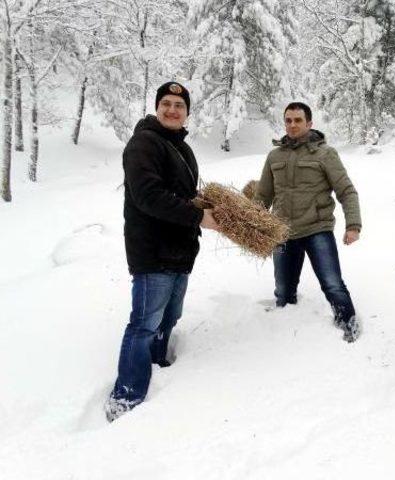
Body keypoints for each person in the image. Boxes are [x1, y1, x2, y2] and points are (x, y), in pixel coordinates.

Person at [105, 82, 219, 421]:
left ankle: (157, 363)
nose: (172, 110)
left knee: (169, 317)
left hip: (181, 251)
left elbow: (180, 193)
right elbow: (148, 196)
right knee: (143, 324)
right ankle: (126, 396)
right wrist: (199, 215)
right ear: (157, 107)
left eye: (179, 106)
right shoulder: (144, 143)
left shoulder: (181, 148)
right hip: (153, 252)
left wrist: (207, 204)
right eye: (166, 103)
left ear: (187, 113)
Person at [254, 102, 362, 343]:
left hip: (317, 228)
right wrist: (250, 225)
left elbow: (346, 191)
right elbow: (263, 195)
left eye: (298, 120)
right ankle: (286, 325)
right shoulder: (274, 156)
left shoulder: (325, 154)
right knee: (283, 289)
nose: (292, 125)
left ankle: (348, 321)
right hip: (282, 231)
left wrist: (353, 225)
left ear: (310, 123)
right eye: (288, 120)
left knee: (332, 283)